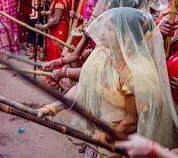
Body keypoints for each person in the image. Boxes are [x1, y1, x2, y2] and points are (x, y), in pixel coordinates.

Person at [38, 8, 178, 155]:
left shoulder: (135, 71)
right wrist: (51, 108)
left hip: (119, 147)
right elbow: (85, 86)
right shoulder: (106, 56)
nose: (103, 32)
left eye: (110, 28)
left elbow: (132, 121)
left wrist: (105, 138)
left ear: (126, 35)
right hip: (100, 140)